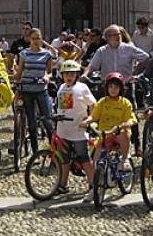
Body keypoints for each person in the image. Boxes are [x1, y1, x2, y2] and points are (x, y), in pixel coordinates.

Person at [80, 72, 136, 188]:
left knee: (122, 134)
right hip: (105, 134)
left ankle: (124, 159)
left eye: (116, 87)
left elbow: (131, 118)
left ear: (121, 88)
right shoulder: (102, 102)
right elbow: (94, 116)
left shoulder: (125, 103)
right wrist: (86, 121)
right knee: (96, 158)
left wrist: (127, 124)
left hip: (119, 132)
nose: (113, 90)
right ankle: (95, 187)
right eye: (110, 87)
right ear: (106, 88)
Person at [53, 60, 97, 201]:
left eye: (72, 74)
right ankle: (63, 184)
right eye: (66, 74)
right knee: (64, 159)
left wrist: (89, 119)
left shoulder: (82, 87)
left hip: (78, 130)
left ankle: (93, 185)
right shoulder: (61, 88)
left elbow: (93, 104)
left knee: (84, 158)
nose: (69, 77)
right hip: (63, 129)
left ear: (77, 75)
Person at [13, 28, 55, 154]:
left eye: (38, 38)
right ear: (29, 40)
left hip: (41, 89)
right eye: (33, 38)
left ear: (42, 39)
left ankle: (54, 150)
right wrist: (10, 78)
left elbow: (49, 72)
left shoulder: (47, 54)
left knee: (47, 120)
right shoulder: (24, 54)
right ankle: (35, 152)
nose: (36, 41)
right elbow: (19, 72)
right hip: (26, 89)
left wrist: (46, 77)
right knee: (31, 122)